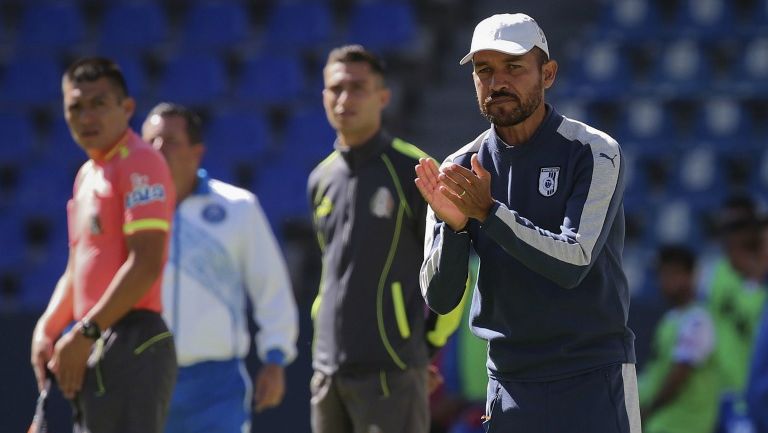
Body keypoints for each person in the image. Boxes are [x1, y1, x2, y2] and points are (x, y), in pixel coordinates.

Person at [415, 13, 640, 433]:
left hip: (593, 376)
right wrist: (455, 229)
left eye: (514, 67)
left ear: (548, 73)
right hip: (510, 384)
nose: (498, 81)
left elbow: (573, 262)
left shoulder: (594, 151)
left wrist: (489, 214)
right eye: (485, 70)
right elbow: (440, 299)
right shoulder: (458, 169)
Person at [307, 44, 458, 433]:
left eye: (358, 87)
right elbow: (332, 275)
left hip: (391, 372)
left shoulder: (415, 170)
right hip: (328, 374)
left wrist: (427, 351)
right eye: (335, 88)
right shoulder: (320, 179)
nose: (344, 99)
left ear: (383, 97)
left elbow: (454, 266)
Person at [29, 57, 177, 432]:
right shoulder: (87, 175)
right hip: (95, 338)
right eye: (75, 107)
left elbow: (146, 263)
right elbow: (77, 265)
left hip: (134, 340)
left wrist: (84, 332)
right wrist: (48, 327)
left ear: (126, 108)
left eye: (98, 104)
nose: (86, 117)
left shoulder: (142, 162)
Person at [141, 103, 299, 433]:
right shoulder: (128, 210)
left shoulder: (238, 208)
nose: (157, 150)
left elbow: (270, 285)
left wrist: (275, 357)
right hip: (143, 377)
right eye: (151, 141)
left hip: (216, 387)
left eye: (169, 140)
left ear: (197, 152)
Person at [638, 245, 718, 433]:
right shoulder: (671, 318)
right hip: (663, 422)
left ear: (692, 276)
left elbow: (679, 373)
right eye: (663, 274)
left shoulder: (698, 319)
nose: (666, 281)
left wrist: (648, 409)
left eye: (674, 274)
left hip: (683, 424)